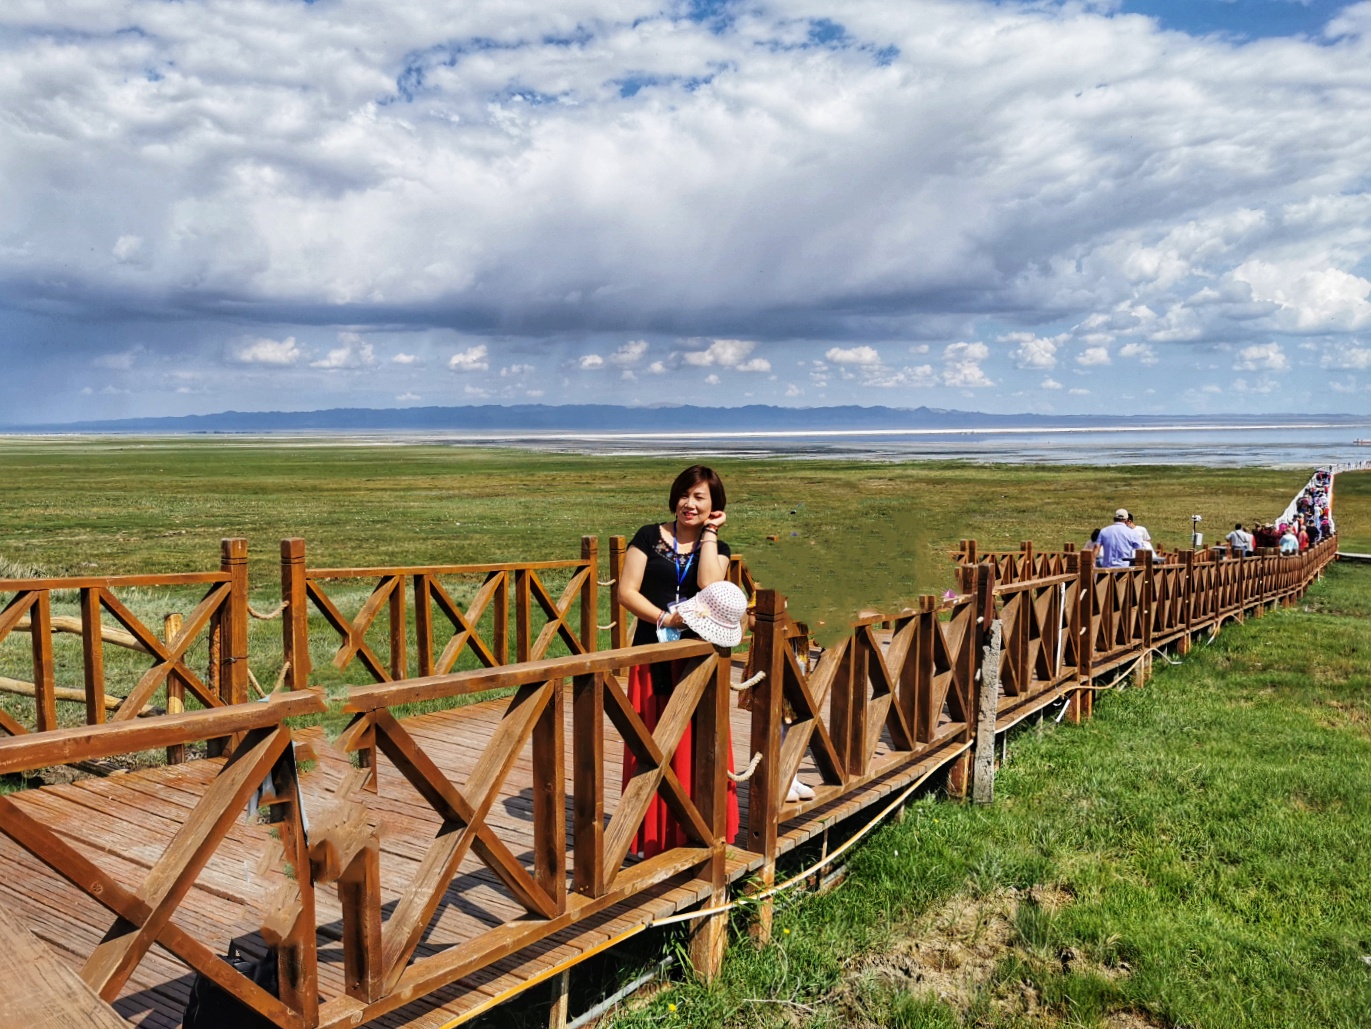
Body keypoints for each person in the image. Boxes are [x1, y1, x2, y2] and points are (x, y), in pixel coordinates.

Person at [617, 465, 741, 857]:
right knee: (649, 741)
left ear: (714, 506)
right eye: (685, 495)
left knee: (696, 743)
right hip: (651, 652)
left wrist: (710, 534)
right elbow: (625, 591)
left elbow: (707, 583)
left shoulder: (717, 550)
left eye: (700, 497)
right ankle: (648, 833)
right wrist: (662, 617)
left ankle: (697, 826)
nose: (690, 504)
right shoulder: (647, 536)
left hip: (695, 659)